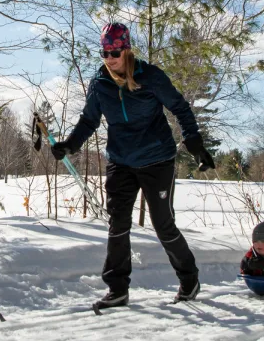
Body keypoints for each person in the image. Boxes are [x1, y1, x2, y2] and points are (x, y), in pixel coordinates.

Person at [52, 23, 215, 309]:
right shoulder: (100, 82)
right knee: (118, 224)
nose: (109, 57)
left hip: (157, 159)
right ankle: (117, 289)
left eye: (114, 51)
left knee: (162, 225)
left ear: (126, 50)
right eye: (104, 51)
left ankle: (189, 278)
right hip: (120, 160)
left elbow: (179, 107)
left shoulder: (150, 76)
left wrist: (194, 142)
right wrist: (70, 144)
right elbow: (89, 120)